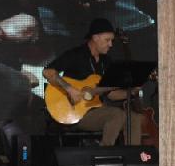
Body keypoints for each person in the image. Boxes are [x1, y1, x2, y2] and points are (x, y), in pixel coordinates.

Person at [42, 17, 143, 146]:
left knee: (134, 117)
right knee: (116, 114)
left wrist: (132, 91)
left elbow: (111, 94)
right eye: (107, 40)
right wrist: (69, 89)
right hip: (74, 113)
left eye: (112, 41)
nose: (111, 44)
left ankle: (132, 156)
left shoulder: (106, 62)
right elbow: (47, 72)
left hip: (97, 111)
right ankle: (106, 154)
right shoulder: (76, 55)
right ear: (95, 38)